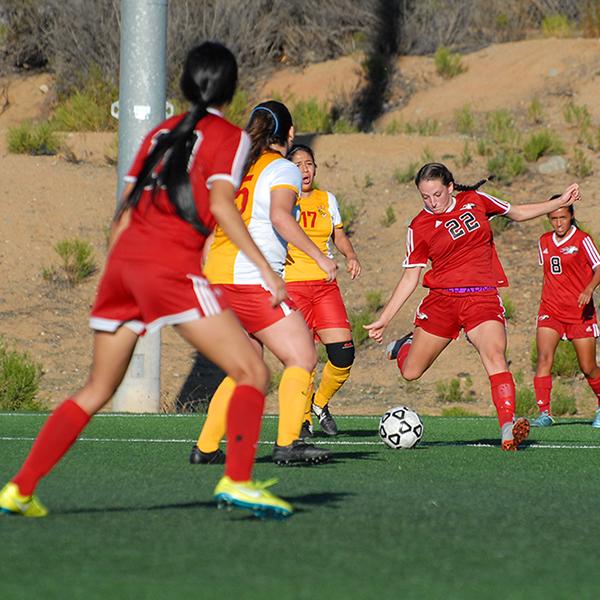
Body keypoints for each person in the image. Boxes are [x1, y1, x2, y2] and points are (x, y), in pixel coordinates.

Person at [0, 43, 294, 519]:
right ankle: (239, 481)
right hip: (168, 264)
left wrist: (121, 275)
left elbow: (123, 213)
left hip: (124, 263)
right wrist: (264, 269)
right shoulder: (229, 137)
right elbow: (221, 205)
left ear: (183, 84)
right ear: (233, 86)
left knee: (96, 389)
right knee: (253, 371)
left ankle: (20, 487)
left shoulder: (159, 131)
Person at [364, 162, 580, 451]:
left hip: (482, 297)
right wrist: (384, 319)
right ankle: (406, 345)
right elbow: (410, 277)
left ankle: (507, 427)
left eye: (437, 194)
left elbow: (515, 212)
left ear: (450, 187)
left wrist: (558, 202)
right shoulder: (419, 226)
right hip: (442, 301)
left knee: (494, 354)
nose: (432, 202)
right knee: (411, 372)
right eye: (425, 197)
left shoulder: (476, 201)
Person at [190, 101, 336, 466]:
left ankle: (206, 447)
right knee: (301, 353)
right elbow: (280, 218)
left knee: (248, 362)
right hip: (250, 276)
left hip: (220, 275)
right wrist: (320, 257)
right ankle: (289, 443)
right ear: (289, 134)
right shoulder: (282, 167)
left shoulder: (240, 167)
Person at [284, 144, 361, 438]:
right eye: (298, 164)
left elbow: (338, 234)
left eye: (309, 164)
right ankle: (302, 420)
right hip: (292, 284)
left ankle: (319, 404)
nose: (305, 169)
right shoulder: (281, 200)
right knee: (304, 356)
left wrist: (351, 256)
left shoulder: (326, 199)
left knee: (343, 353)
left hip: (325, 285)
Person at [531, 200, 600, 427]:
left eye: (563, 217)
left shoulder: (583, 240)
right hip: (550, 310)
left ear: (571, 216)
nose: (559, 223)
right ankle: (545, 413)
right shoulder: (543, 241)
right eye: (554, 218)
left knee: (588, 367)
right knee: (544, 358)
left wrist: (589, 289)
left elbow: (599, 267)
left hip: (580, 313)